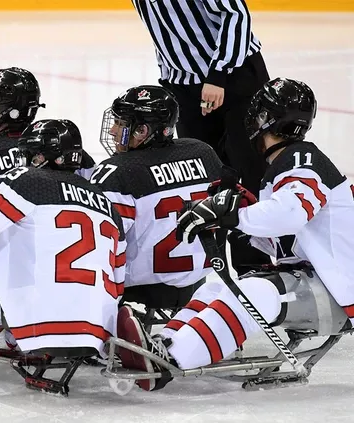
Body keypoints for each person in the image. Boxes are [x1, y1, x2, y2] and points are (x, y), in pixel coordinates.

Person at [117, 78, 354, 391]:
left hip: (337, 293)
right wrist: (239, 218)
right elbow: (286, 236)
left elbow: (291, 214)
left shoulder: (301, 160)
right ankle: (164, 344)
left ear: (263, 120)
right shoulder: (290, 163)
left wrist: (236, 216)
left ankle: (169, 362)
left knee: (255, 295)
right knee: (213, 292)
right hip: (321, 283)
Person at [0, 119, 125, 358]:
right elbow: (118, 285)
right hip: (96, 330)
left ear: (47, 158)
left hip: (34, 325)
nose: (25, 161)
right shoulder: (108, 204)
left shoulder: (25, 183)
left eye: (31, 155)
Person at [131, 0, 271, 274]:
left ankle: (257, 267)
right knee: (204, 178)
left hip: (233, 76)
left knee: (252, 171)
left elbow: (235, 13)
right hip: (183, 85)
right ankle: (212, 268)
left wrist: (218, 74)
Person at [91, 85, 222, 313]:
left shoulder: (117, 172)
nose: (113, 130)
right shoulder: (203, 152)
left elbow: (102, 243)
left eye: (121, 124)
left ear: (141, 131)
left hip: (141, 282)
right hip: (199, 278)